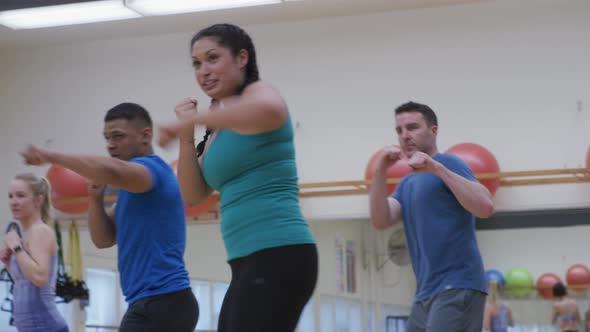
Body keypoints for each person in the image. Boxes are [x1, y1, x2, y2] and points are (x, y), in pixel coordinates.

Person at [158, 23, 318, 332]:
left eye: (213, 58)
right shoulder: (216, 130)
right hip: (245, 261)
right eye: (196, 63)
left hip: (280, 251)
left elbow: (270, 111)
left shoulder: (258, 92)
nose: (203, 70)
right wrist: (187, 132)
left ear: (242, 58)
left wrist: (198, 117)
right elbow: (194, 195)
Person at [20, 102, 198, 332]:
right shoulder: (130, 190)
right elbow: (103, 239)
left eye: (118, 137)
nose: (110, 145)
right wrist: (94, 199)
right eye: (107, 138)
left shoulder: (151, 171)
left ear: (145, 135)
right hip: (151, 302)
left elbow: (111, 170)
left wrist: (50, 155)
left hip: (165, 300)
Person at [368, 101, 494, 331]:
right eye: (399, 130)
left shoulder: (449, 162)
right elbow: (380, 221)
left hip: (458, 284)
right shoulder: (406, 184)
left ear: (433, 131)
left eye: (413, 127)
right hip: (425, 292)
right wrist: (380, 171)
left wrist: (435, 168)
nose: (405, 135)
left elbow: (485, 206)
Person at [1, 173, 69, 332]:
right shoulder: (28, 234)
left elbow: (40, 278)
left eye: (20, 196)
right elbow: (26, 281)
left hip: (47, 327)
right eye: (10, 196)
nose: (13, 202)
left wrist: (17, 248)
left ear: (38, 200)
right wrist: (9, 264)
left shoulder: (40, 231)